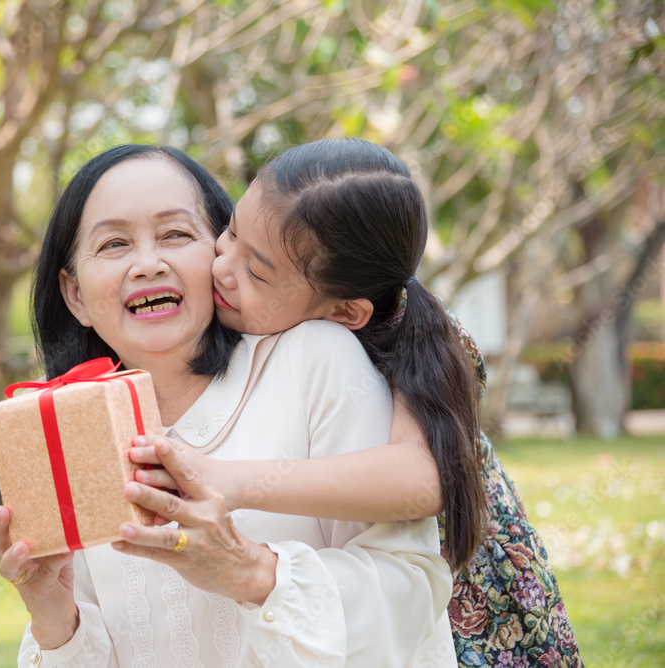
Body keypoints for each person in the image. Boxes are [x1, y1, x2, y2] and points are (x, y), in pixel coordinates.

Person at [0, 144, 457, 666]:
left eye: (176, 234)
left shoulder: (315, 359)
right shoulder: (70, 435)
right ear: (75, 296)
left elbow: (412, 589)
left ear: (215, 250)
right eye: (114, 243)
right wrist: (53, 613)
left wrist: (251, 572)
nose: (148, 263)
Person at [130, 138, 582, 666]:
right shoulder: (296, 320)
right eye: (230, 232)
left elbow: (420, 482)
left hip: (470, 609)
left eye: (256, 272)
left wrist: (229, 480)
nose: (223, 267)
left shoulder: (411, 334)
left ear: (345, 313)